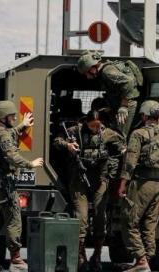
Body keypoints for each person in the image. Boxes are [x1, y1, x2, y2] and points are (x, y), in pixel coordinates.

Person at [54, 110, 125, 271]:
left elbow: (123, 147)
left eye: (98, 125)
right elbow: (57, 141)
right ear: (86, 123)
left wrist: (117, 158)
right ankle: (80, 255)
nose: (95, 128)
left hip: (100, 179)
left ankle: (97, 255)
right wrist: (68, 145)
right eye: (92, 126)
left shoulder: (108, 134)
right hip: (79, 180)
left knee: (100, 217)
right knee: (82, 218)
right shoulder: (75, 131)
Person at [0, 100, 44, 272]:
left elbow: (7, 136)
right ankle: (16, 260)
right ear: (3, 117)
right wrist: (31, 164)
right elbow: (11, 156)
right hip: (5, 184)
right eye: (12, 116)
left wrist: (22, 125)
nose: (15, 117)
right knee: (14, 220)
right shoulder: (4, 135)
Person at [118, 100, 159, 272]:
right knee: (149, 224)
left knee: (128, 221)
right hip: (158, 185)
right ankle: (146, 260)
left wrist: (122, 184)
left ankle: (140, 260)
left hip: (141, 184)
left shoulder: (138, 134)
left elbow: (130, 163)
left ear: (145, 115)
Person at [77, 51, 143, 137]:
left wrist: (124, 105)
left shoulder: (107, 71)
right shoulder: (104, 73)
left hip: (128, 105)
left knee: (119, 136)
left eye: (87, 73)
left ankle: (122, 149)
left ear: (92, 67)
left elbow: (128, 82)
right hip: (123, 105)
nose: (87, 77)